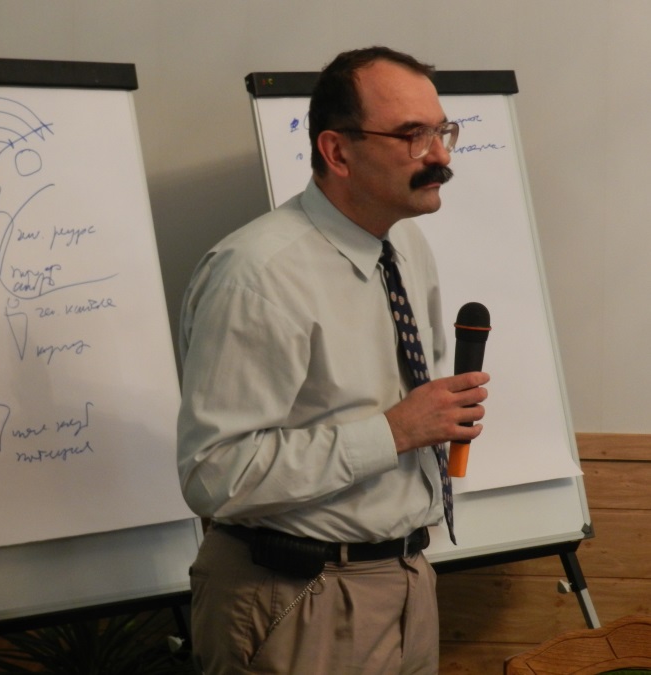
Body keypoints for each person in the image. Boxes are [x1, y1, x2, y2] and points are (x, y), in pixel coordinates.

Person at [176, 46, 490, 675]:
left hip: (407, 578)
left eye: (442, 131)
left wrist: (431, 420)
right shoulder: (259, 276)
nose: (440, 156)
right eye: (413, 135)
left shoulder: (406, 244)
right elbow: (214, 474)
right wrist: (394, 432)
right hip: (296, 595)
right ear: (337, 151)